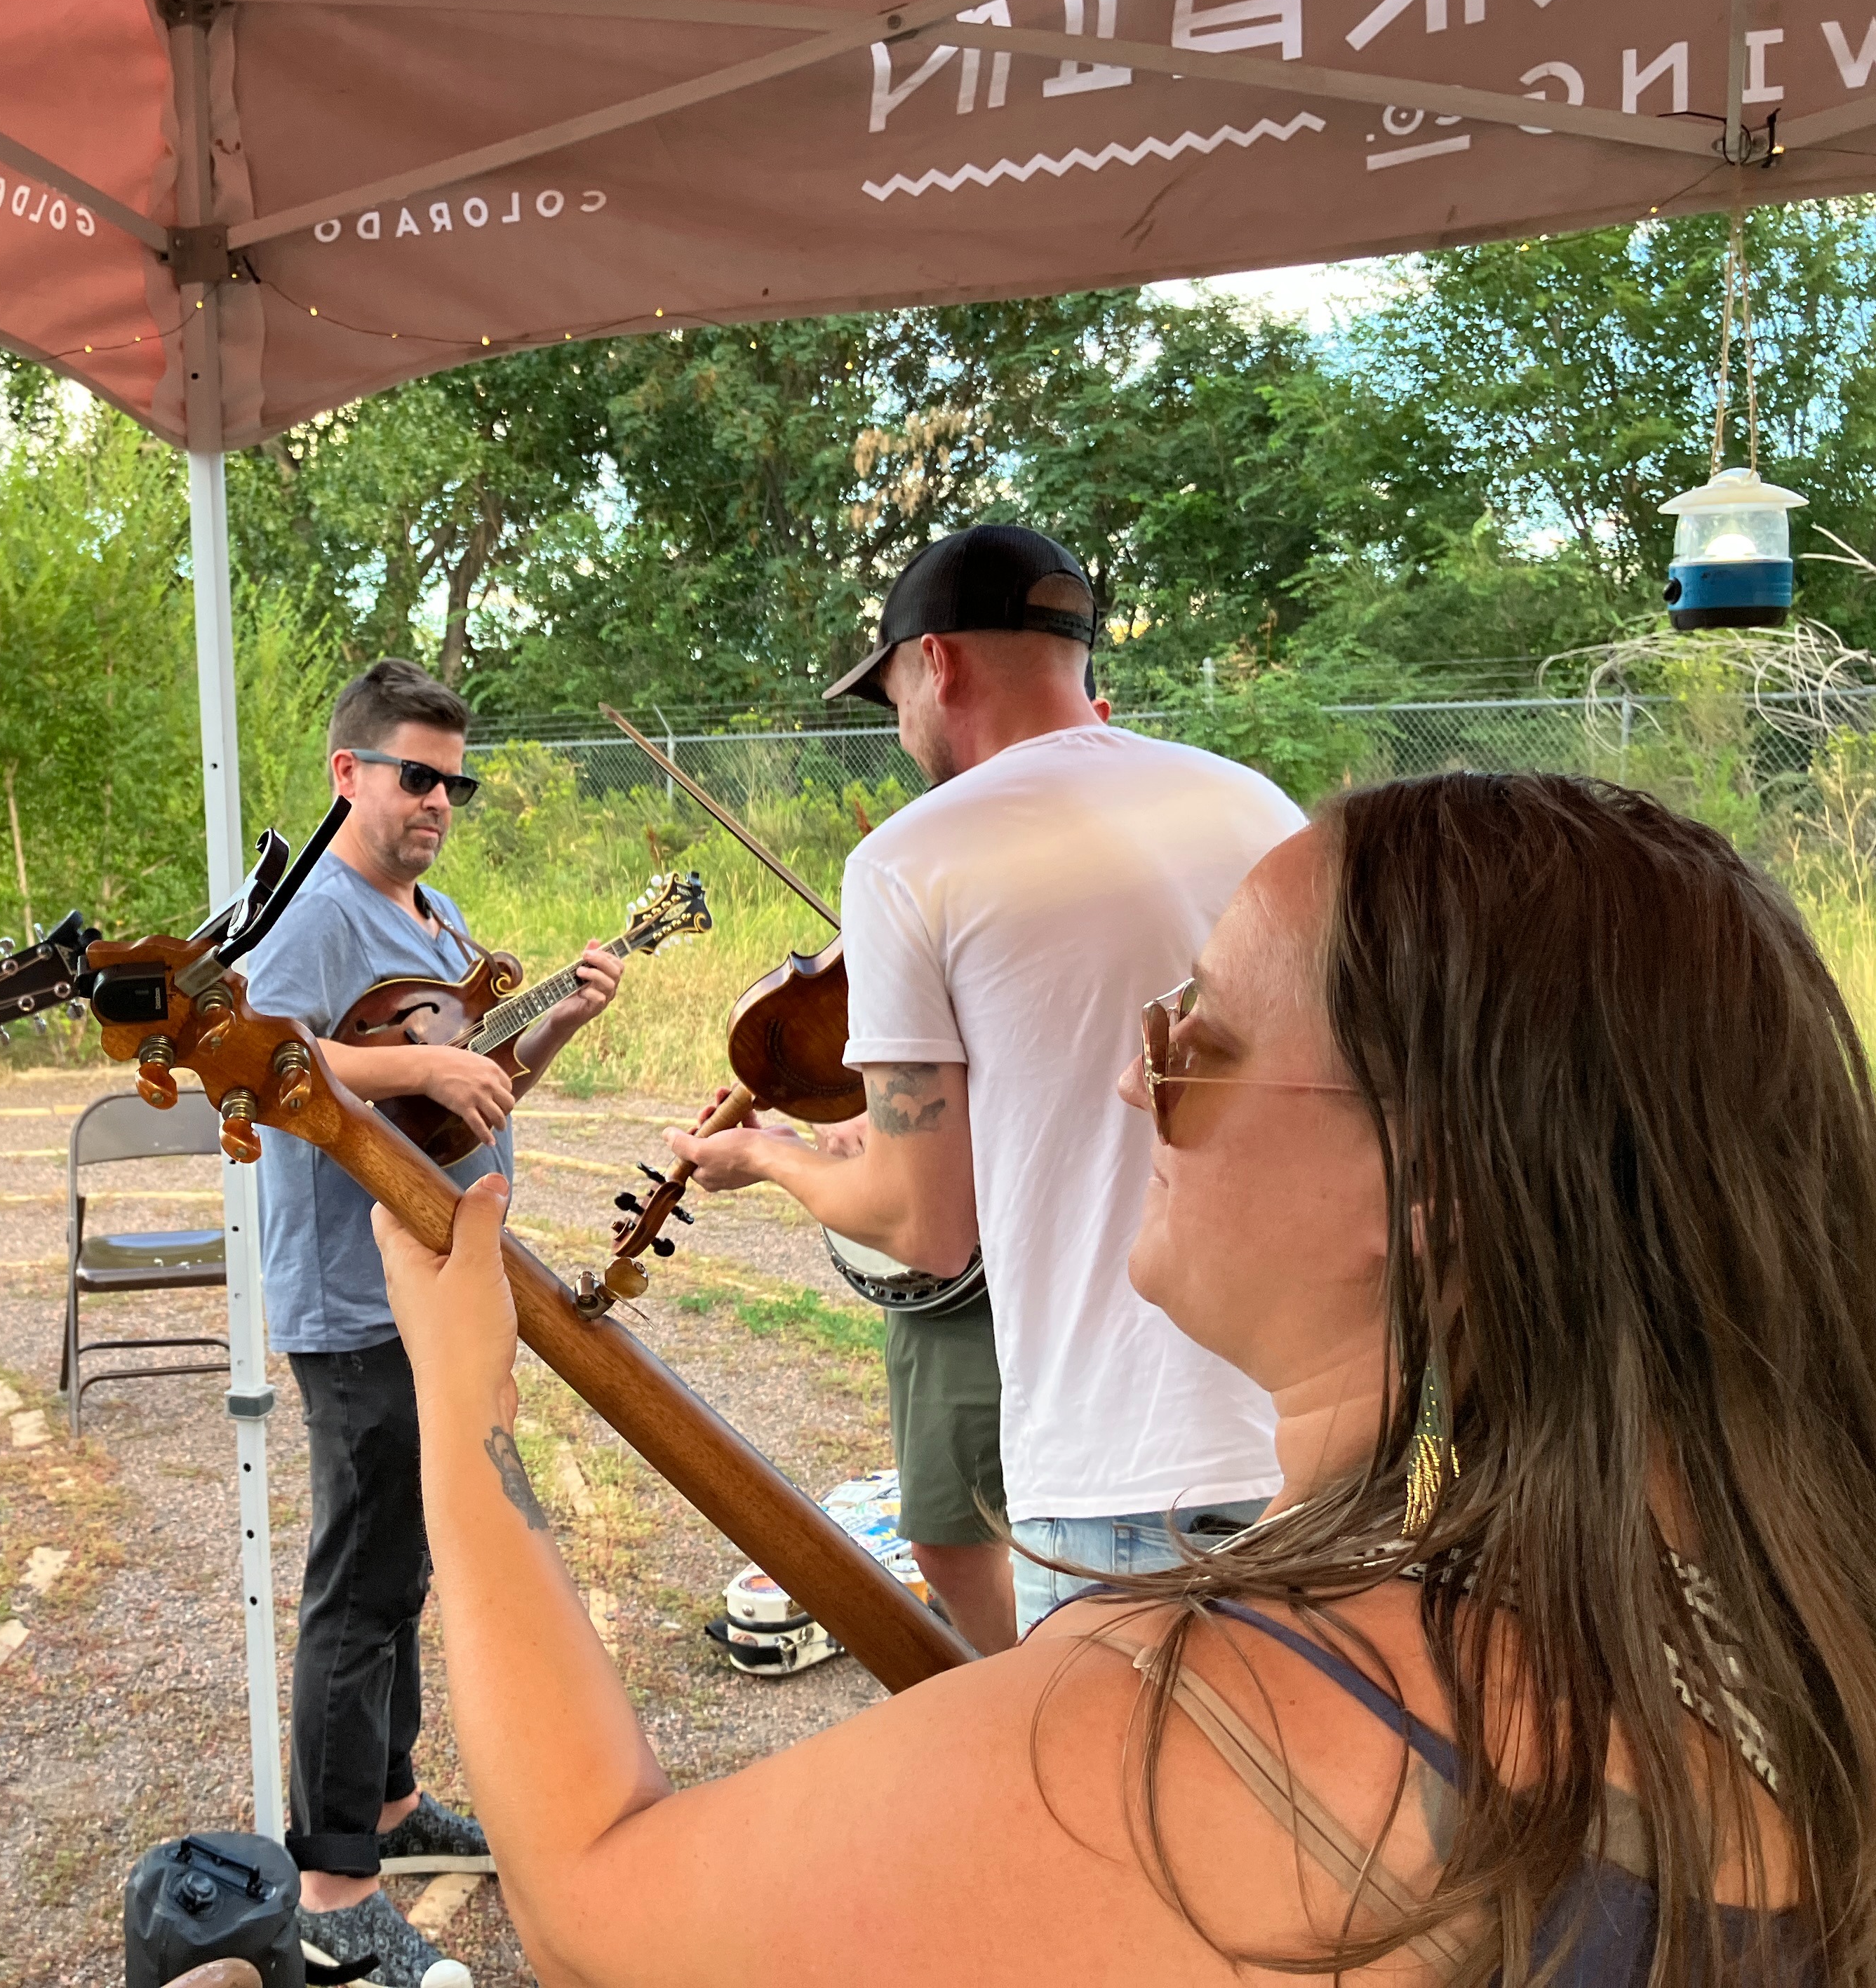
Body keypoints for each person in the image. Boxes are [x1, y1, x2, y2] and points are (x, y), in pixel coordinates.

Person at [383, 770, 1853, 1982]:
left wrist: (463, 1408)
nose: (1133, 1079)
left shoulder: (1231, 1732)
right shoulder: (1787, 1621)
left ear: (1430, 1187)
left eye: (1199, 1038)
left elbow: (593, 1906)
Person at [671, 525, 1301, 1640]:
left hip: (1116, 1468)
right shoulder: (1257, 807)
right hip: (1318, 1437)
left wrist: (767, 1155)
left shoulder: (912, 858)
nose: (900, 728)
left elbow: (926, 1228)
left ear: (937, 663)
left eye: (893, 698)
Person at [241, 658, 625, 1988]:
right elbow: (262, 1057)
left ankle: (394, 1808)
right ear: (348, 773)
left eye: (455, 783)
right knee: (359, 1584)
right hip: (353, 1301)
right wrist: (417, 1061)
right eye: (417, 776)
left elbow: (477, 1090)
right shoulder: (314, 916)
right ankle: (332, 1891)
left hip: (438, 1288)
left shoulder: (441, 916)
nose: (439, 802)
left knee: (405, 1565)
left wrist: (555, 1025)